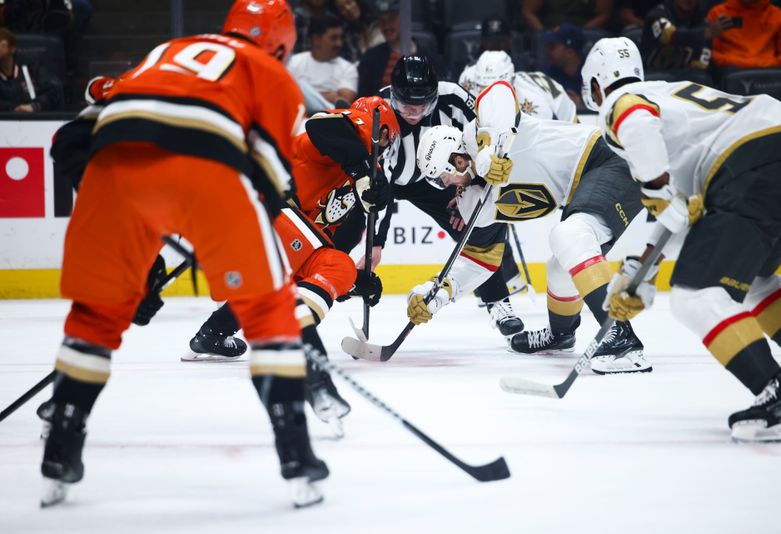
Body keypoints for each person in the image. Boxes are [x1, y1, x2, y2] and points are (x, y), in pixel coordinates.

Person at [33, 0, 392, 509]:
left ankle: (59, 452)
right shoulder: (273, 76)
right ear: (283, 44)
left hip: (114, 164)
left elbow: (71, 139)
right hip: (213, 170)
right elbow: (268, 180)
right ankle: (297, 458)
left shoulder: (165, 51)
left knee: (94, 319)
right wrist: (231, 245)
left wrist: (145, 262)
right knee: (270, 318)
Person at [583, 37, 781, 440]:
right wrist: (638, 274)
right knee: (756, 281)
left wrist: (654, 187)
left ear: (596, 83)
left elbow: (634, 119)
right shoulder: (671, 100)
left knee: (694, 295)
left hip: (750, 162)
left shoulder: (623, 102)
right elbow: (677, 212)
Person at [185, 97, 399, 434]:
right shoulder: (347, 128)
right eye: (387, 137)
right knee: (305, 269)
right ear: (381, 127)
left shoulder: (370, 180)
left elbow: (331, 251)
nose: (387, 146)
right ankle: (313, 375)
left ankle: (211, 334)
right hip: (264, 210)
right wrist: (361, 173)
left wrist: (355, 282)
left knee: (325, 270)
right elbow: (321, 126)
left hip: (277, 237)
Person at [411, 80, 651, 374]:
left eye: (442, 179)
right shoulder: (473, 200)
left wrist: (488, 149)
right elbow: (480, 259)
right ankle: (562, 334)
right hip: (586, 189)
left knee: (568, 235)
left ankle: (622, 339)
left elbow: (498, 91)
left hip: (609, 158)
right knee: (559, 267)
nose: (444, 188)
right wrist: (437, 294)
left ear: (457, 159)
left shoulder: (482, 133)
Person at [372, 55, 526, 340]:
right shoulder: (377, 113)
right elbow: (378, 185)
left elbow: (485, 143)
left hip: (441, 180)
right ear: (394, 96)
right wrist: (376, 244)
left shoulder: (454, 98)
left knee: (479, 225)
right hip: (391, 182)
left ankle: (499, 304)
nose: (414, 112)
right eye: (407, 105)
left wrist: (469, 187)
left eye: (422, 105)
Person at [459, 50, 576, 121]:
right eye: (483, 86)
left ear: (512, 81)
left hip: (565, 121)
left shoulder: (534, 105)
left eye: (496, 87)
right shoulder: (467, 81)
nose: (490, 93)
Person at [357, 0, 435, 98]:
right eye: (382, 21)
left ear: (405, 18)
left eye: (391, 19)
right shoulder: (370, 58)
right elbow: (363, 99)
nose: (386, 26)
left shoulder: (427, 57)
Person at [287, 14, 358, 107]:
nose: (339, 43)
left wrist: (304, 96)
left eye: (341, 38)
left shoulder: (348, 68)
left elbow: (343, 101)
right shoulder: (293, 63)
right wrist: (332, 96)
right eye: (334, 38)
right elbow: (286, 96)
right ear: (316, 39)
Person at [707, 0, 781, 69]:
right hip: (730, 71)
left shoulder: (775, 14)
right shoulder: (718, 13)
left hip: (769, 72)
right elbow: (709, 52)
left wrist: (775, 64)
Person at [640, 0, 722, 75]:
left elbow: (701, 64)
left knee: (702, 77)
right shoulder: (657, 14)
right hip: (651, 72)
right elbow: (669, 35)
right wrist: (703, 33)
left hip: (684, 75)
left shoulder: (701, 21)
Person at [0, 27, 63, 111]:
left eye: (3, 44)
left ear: (12, 48)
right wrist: (13, 109)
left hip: (35, 120)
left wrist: (35, 106)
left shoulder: (32, 67)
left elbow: (53, 90)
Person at [541, 24, 586, 108]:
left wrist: (583, 106)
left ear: (569, 52)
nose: (547, 50)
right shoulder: (546, 75)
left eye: (552, 47)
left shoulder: (593, 74)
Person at [520, 0, 613, 32]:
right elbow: (528, 12)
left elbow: (604, 14)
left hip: (584, 31)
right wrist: (543, 32)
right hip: (550, 30)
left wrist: (581, 33)